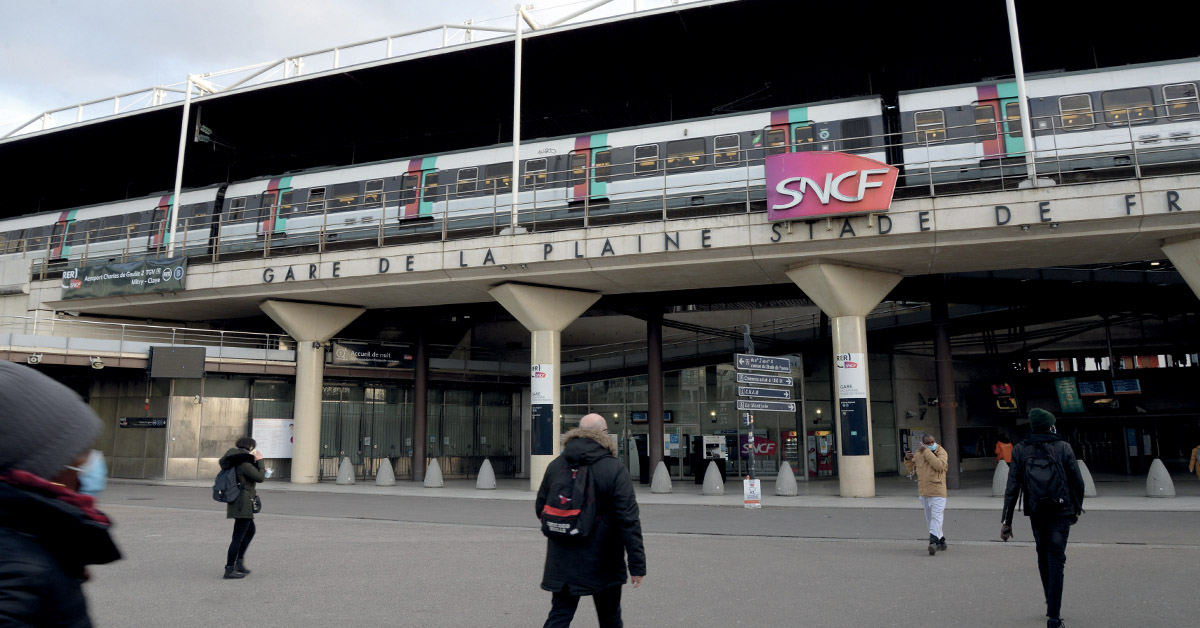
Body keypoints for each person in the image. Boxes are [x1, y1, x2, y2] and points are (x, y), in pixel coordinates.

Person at [0, 360, 122, 626]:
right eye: (78, 452)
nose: (87, 462)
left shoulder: (28, 539)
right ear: (37, 466)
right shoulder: (20, 573)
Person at [536, 413, 645, 628]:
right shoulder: (613, 468)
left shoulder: (556, 465)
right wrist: (637, 566)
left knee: (560, 614)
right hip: (604, 560)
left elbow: (541, 508)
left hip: (562, 558)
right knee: (610, 617)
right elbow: (628, 520)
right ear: (603, 433)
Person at [1001, 408, 1085, 628]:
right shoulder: (1063, 447)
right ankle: (1054, 617)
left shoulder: (1020, 450)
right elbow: (1078, 482)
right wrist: (1075, 510)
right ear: (1051, 426)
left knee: (1043, 555)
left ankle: (1050, 602)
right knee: (1056, 559)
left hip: (1036, 511)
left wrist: (1007, 521)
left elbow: (1012, 487)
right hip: (1061, 510)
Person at [219, 436, 265, 579]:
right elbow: (260, 477)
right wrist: (260, 461)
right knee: (237, 537)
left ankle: (238, 563)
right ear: (250, 447)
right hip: (243, 502)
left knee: (250, 531)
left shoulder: (235, 459)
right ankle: (229, 569)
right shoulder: (243, 462)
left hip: (239, 500)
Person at [903, 433, 949, 555]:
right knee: (930, 519)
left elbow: (939, 465)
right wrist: (907, 459)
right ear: (923, 443)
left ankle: (933, 542)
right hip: (924, 492)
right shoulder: (919, 454)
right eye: (927, 443)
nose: (930, 444)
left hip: (938, 491)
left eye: (932, 442)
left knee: (936, 517)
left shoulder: (941, 452)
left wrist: (926, 451)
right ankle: (941, 541)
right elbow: (912, 469)